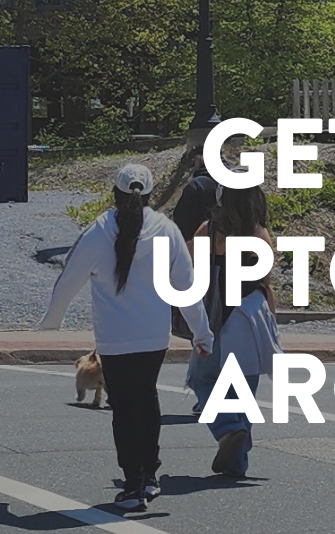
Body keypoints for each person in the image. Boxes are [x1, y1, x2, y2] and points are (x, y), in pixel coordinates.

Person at [40, 164, 214, 511]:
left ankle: (132, 484)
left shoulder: (99, 230)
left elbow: (69, 277)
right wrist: (202, 333)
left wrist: (51, 321)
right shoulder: (166, 230)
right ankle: (150, 477)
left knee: (123, 407)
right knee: (147, 400)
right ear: (150, 195)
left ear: (114, 194)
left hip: (114, 338)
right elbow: (186, 287)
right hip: (153, 335)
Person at [187, 175, 279, 478]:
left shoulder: (207, 231)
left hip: (215, 315)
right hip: (250, 315)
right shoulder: (259, 235)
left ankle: (228, 428)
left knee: (203, 379)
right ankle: (237, 462)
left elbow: (188, 271)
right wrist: (272, 321)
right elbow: (266, 283)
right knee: (243, 393)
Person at [172, 153, 231, 416]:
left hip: (209, 273)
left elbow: (182, 228)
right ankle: (228, 398)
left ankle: (206, 396)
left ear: (199, 164)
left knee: (207, 334)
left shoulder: (197, 191)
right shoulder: (246, 210)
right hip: (240, 282)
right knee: (230, 341)